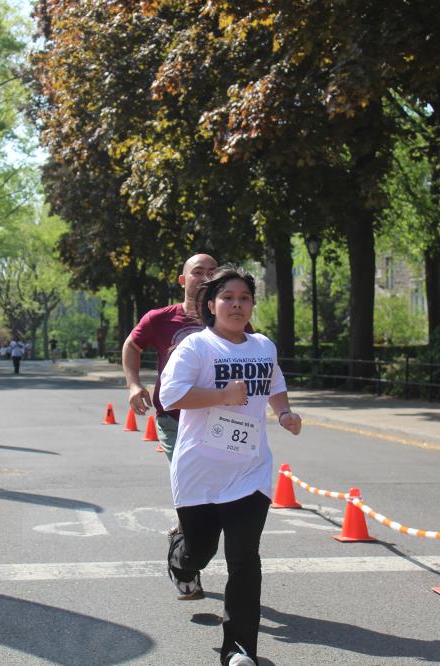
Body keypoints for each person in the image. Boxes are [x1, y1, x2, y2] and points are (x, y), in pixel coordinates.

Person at [159, 264, 302, 666]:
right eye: (228, 298)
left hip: (249, 473)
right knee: (200, 552)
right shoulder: (196, 347)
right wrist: (222, 395)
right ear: (211, 304)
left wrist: (285, 412)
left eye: (244, 299)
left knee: (244, 559)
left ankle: (239, 650)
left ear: (252, 305)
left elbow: (274, 386)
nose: (237, 305)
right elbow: (170, 396)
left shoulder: (263, 346)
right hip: (200, 473)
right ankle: (181, 559)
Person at [123, 253, 219, 463]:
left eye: (212, 273)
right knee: (189, 475)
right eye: (198, 272)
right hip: (174, 418)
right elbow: (131, 346)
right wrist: (134, 385)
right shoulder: (159, 319)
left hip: (219, 418)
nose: (205, 278)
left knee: (219, 478)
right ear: (182, 280)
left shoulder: (231, 320)